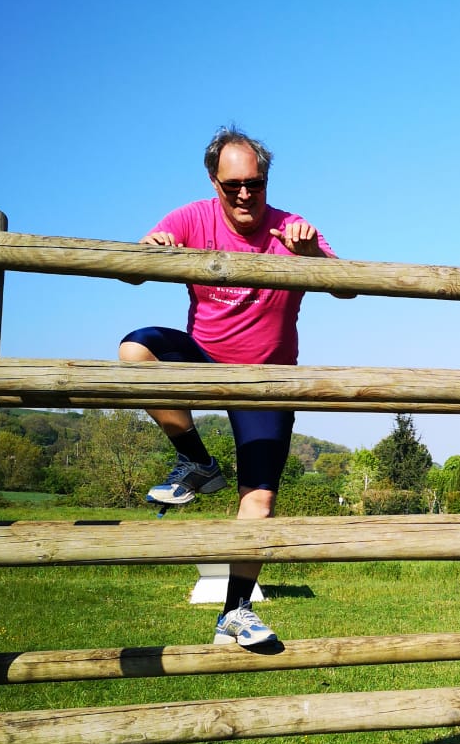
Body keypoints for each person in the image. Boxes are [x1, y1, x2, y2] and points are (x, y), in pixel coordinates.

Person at [120, 126, 352, 648]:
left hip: (266, 378)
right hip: (203, 359)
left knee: (259, 501)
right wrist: (149, 251)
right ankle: (196, 461)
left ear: (267, 180)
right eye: (233, 185)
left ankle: (235, 611)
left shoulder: (292, 228)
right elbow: (131, 271)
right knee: (134, 352)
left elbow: (347, 288)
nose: (245, 194)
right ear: (214, 182)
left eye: (255, 183)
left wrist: (312, 256)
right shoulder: (191, 218)